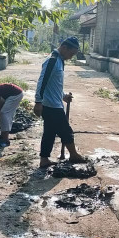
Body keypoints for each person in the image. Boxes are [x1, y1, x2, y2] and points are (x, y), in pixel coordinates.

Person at [33, 37, 87, 168]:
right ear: (64, 48)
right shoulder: (52, 61)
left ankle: (44, 159)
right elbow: (42, 81)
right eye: (71, 53)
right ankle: (73, 155)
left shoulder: (60, 61)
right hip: (50, 105)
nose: (70, 57)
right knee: (66, 131)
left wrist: (63, 96)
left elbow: (55, 84)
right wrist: (38, 102)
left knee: (49, 133)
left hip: (55, 103)